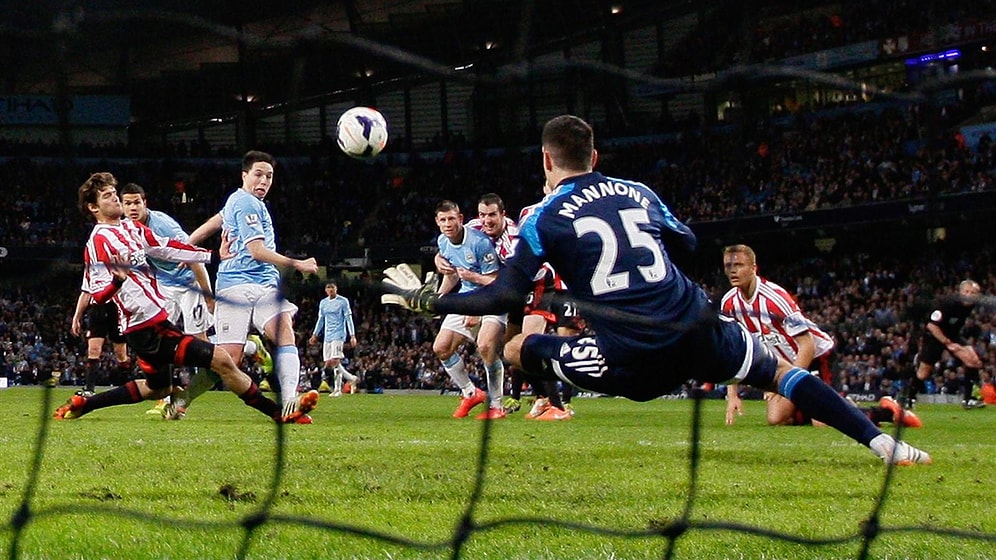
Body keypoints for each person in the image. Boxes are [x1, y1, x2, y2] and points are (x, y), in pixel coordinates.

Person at [384, 114, 930, 466]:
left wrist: (430, 300)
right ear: (595, 158)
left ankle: (552, 403)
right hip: (693, 323)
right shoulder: (639, 191)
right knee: (783, 374)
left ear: (548, 161)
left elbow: (502, 297)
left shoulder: (541, 217)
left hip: (632, 356)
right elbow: (688, 242)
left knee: (515, 348)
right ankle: (886, 447)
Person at [54, 171, 316, 423]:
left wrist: (213, 256)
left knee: (158, 388)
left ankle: (85, 404)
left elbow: (168, 248)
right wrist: (116, 281)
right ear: (93, 207)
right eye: (107, 196)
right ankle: (277, 413)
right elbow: (97, 293)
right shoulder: (98, 241)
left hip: (154, 322)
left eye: (114, 193)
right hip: (145, 328)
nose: (115, 198)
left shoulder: (131, 229)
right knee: (223, 360)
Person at [720, 244, 920, 429]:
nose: (732, 270)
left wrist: (788, 384)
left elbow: (807, 345)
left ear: (754, 267)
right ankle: (821, 405)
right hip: (785, 365)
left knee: (822, 423)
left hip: (817, 357)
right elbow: (734, 349)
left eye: (739, 265)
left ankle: (885, 411)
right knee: (777, 419)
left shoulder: (774, 299)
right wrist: (732, 395)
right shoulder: (729, 304)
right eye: (728, 265)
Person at [187, 150, 321, 423]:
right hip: (235, 285)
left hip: (264, 285)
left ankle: (290, 401)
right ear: (244, 175)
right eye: (258, 174)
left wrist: (189, 250)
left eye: (269, 176)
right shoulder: (246, 203)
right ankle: (180, 399)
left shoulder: (237, 203)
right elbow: (257, 250)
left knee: (283, 330)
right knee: (230, 359)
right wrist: (298, 263)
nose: (264, 180)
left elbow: (201, 233)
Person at [118, 182, 217, 419]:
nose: (133, 207)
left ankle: (249, 347)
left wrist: (208, 295)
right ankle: (165, 397)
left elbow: (192, 255)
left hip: (189, 283)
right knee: (159, 341)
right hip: (164, 286)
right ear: (121, 206)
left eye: (137, 202)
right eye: (128, 203)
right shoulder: (125, 229)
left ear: (145, 203)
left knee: (199, 343)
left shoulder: (163, 224)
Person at [429, 199, 507, 420]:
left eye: (451, 218)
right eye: (443, 220)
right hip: (467, 295)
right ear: (437, 222)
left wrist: (477, 309)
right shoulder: (443, 242)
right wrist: (439, 299)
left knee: (485, 346)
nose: (447, 223)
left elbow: (494, 280)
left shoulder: (480, 243)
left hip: (492, 299)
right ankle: (470, 393)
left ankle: (497, 406)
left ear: (460, 219)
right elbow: (452, 274)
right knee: (441, 347)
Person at [908, 280, 986, 410]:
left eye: (973, 293)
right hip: (934, 336)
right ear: (960, 292)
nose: (969, 295)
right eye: (966, 292)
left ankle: (970, 399)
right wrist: (948, 343)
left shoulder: (970, 305)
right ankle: (909, 397)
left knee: (973, 360)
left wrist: (953, 342)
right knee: (923, 373)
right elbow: (931, 326)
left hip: (953, 334)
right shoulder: (947, 303)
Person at [70, 298, 132, 394]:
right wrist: (76, 318)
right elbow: (85, 294)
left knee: (120, 353)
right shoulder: (89, 281)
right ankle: (89, 389)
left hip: (116, 308)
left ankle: (126, 386)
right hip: (97, 309)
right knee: (93, 350)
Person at [308, 280, 359, 396]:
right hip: (327, 335)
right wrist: (315, 334)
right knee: (329, 363)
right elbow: (321, 320)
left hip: (339, 334)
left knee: (335, 360)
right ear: (326, 290)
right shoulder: (323, 303)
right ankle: (350, 379)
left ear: (336, 289)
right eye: (328, 287)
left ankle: (338, 388)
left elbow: (348, 319)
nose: (330, 290)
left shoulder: (343, 301)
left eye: (332, 287)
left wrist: (352, 335)